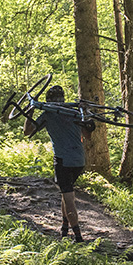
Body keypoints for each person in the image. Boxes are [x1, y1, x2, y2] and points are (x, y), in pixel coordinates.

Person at [22, 84, 95, 242]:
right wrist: (86, 114)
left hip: (63, 161)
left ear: (48, 101)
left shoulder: (48, 115)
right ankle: (64, 228)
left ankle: (78, 237)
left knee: (69, 199)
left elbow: (27, 131)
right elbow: (88, 135)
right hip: (79, 161)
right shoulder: (74, 113)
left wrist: (31, 109)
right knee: (66, 193)